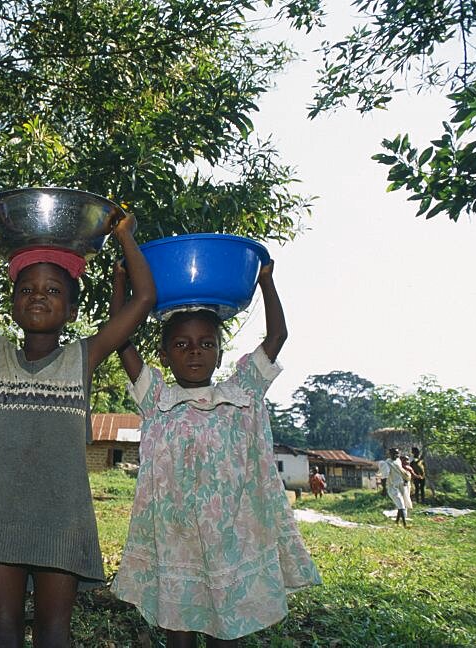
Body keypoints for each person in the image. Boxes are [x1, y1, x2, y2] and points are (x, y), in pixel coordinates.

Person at [0, 208, 155, 647]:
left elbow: (144, 300)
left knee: (54, 630)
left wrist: (124, 236)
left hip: (62, 520)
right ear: (13, 301)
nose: (38, 296)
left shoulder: (83, 357)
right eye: (27, 289)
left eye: (53, 290)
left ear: (73, 308)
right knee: (3, 626)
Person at [109, 260, 321, 647]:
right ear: (164, 354)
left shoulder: (242, 393)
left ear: (221, 354)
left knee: (229, 628)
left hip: (232, 539)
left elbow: (277, 337)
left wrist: (267, 282)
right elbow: (119, 338)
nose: (195, 352)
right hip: (175, 538)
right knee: (180, 627)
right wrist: (120, 282)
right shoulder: (157, 399)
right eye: (182, 344)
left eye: (207, 344)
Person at [379, 448, 412, 527]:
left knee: (402, 504)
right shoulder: (386, 464)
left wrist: (405, 479)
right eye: (394, 454)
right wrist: (384, 489)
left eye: (397, 453)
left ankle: (396, 522)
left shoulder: (398, 461)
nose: (396, 455)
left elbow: (400, 472)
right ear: (390, 454)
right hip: (393, 486)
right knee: (401, 504)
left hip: (401, 485)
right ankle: (405, 524)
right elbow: (384, 478)